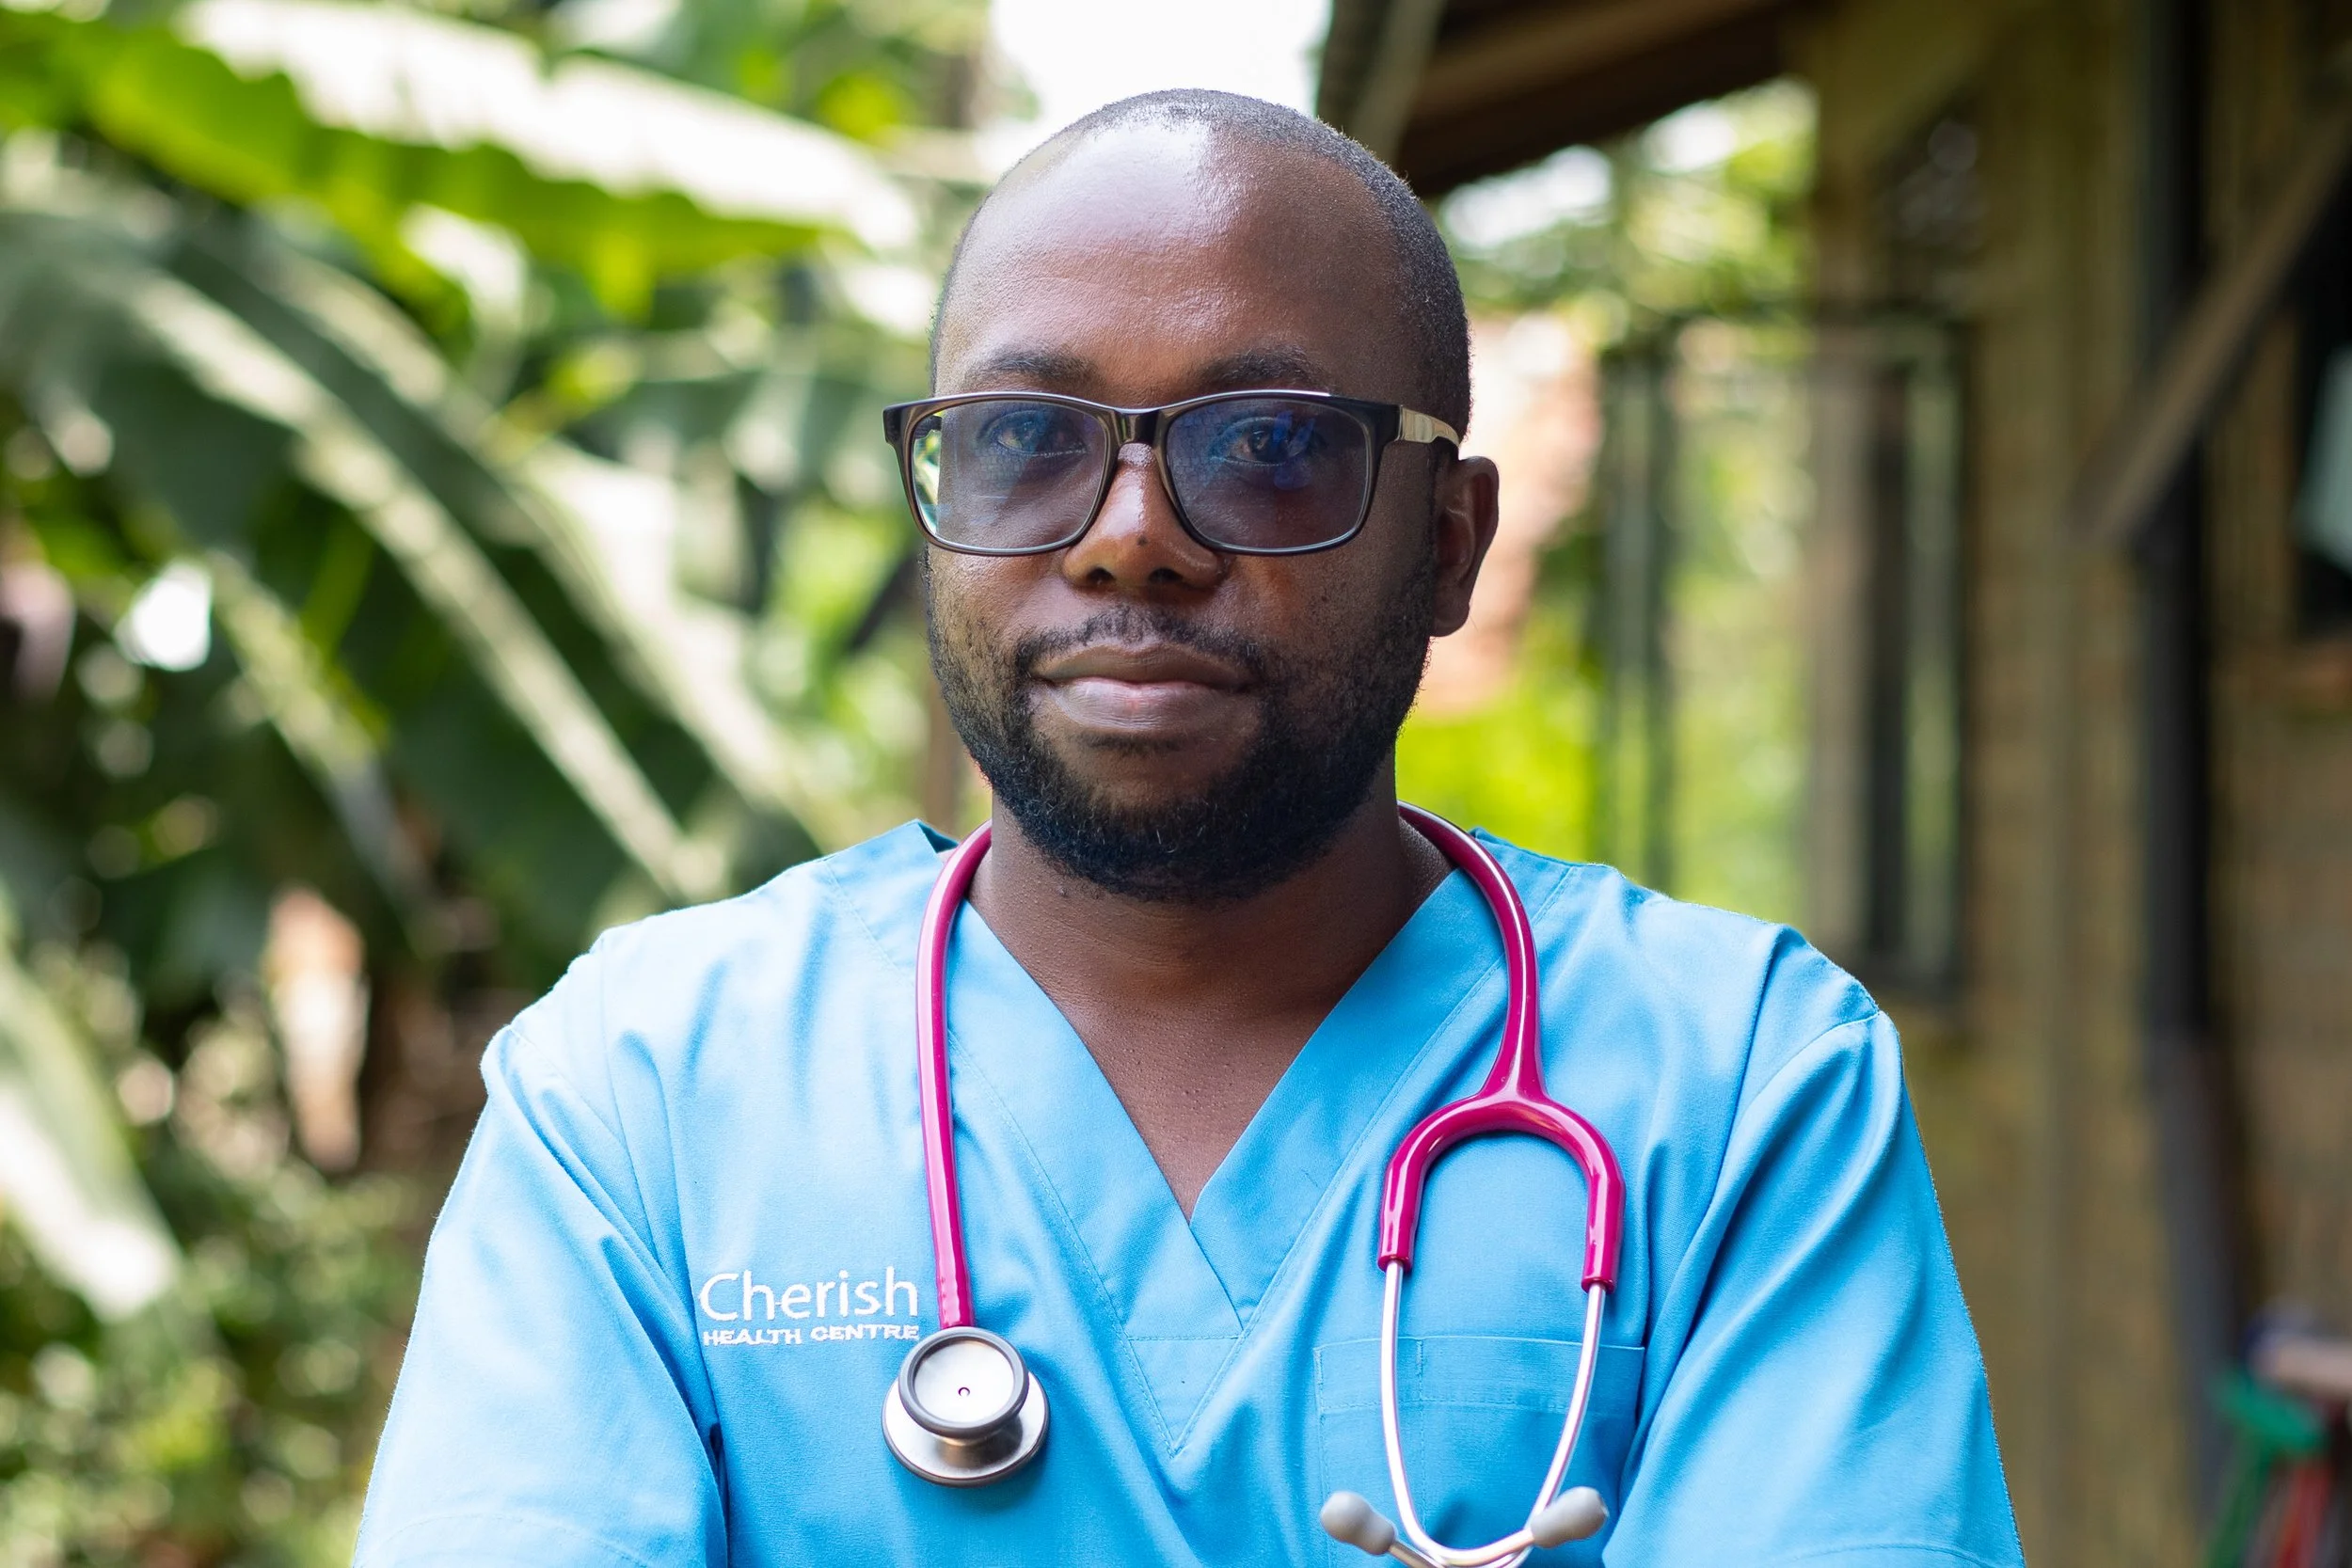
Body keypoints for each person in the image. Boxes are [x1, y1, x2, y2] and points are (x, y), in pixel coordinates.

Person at [354, 90, 2025, 1567]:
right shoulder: (641, 1100)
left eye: (1274, 446)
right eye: (1025, 443)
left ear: (1448, 542)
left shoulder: (1742, 1092)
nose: (1130, 539)